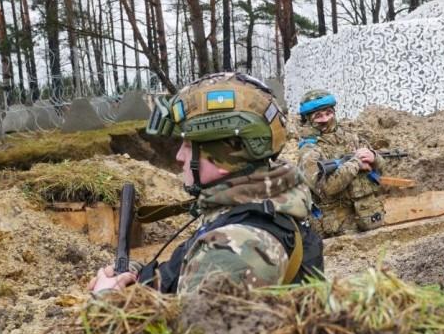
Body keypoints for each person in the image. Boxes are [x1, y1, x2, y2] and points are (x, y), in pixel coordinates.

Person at [89, 72, 322, 295]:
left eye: (189, 146)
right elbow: (187, 282)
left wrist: (106, 300)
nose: (180, 156)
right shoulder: (261, 204)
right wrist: (136, 277)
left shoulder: (234, 248)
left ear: (226, 155)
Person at [296, 89, 387, 237]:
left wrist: (374, 158)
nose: (325, 119)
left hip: (369, 215)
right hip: (339, 226)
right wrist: (356, 163)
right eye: (318, 116)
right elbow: (326, 188)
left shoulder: (351, 138)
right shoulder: (308, 151)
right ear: (308, 119)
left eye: (328, 113)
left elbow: (381, 171)